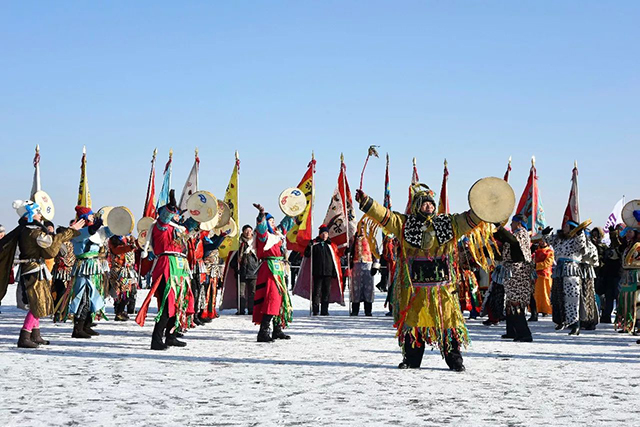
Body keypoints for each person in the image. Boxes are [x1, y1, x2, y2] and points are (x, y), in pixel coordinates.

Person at [355, 183, 492, 371]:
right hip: (415, 289)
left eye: (431, 204)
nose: (429, 206)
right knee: (412, 324)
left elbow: (468, 219)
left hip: (443, 289)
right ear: (417, 206)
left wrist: (485, 207)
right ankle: (411, 360)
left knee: (448, 324)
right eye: (425, 204)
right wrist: (367, 202)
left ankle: (455, 361)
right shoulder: (404, 224)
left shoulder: (448, 224)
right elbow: (385, 216)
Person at [0, 200, 82, 348]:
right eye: (37, 212)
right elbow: (50, 245)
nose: (40, 215)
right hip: (33, 270)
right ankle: (25, 335)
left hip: (36, 268)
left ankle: (35, 334)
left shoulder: (29, 229)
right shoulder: (32, 231)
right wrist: (70, 231)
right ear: (30, 214)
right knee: (37, 303)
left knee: (40, 301)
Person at [135, 190, 195, 350]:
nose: (177, 215)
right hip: (167, 267)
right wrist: (170, 206)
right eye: (174, 213)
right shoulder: (161, 227)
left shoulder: (179, 229)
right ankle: (156, 340)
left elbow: (193, 223)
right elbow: (164, 219)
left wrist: (201, 211)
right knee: (167, 305)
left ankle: (171, 336)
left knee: (178, 303)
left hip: (179, 269)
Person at [64, 206, 113, 338]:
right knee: (83, 297)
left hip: (94, 266)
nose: (93, 217)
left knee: (93, 297)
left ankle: (86, 325)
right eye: (90, 215)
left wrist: (116, 222)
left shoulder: (97, 231)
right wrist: (97, 224)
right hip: (83, 267)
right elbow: (90, 231)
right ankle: (77, 328)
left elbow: (111, 231)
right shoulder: (78, 232)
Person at [546, 221, 599, 335]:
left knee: (572, 298)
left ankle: (576, 324)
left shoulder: (576, 240)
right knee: (558, 297)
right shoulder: (560, 240)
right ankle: (562, 320)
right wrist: (546, 234)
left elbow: (581, 244)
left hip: (571, 270)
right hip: (559, 271)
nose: (563, 227)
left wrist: (579, 233)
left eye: (566, 226)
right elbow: (550, 241)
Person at [252, 203, 294, 342]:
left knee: (281, 298)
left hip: (279, 268)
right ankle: (263, 331)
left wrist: (293, 209)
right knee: (272, 298)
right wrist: (261, 214)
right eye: (270, 220)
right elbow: (261, 227)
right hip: (269, 269)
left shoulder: (277, 235)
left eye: (273, 220)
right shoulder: (264, 236)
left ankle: (277, 329)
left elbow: (286, 223)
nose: (273, 223)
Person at [493, 215, 533, 342]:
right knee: (511, 302)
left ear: (519, 224)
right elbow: (505, 239)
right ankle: (513, 331)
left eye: (513, 222)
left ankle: (524, 333)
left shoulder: (521, 233)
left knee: (516, 302)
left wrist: (499, 227)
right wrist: (494, 231)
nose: (511, 225)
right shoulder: (516, 234)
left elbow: (512, 240)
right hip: (513, 270)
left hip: (518, 272)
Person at [303, 224, 342, 316]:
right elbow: (306, 255)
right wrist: (309, 246)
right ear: (320, 234)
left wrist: (334, 271)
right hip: (317, 272)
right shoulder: (314, 244)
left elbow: (335, 259)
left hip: (328, 272)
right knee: (317, 292)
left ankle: (325, 310)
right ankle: (315, 309)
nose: (324, 235)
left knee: (326, 292)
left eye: (326, 233)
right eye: (323, 233)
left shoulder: (331, 245)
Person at [349, 223, 378, 316]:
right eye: (360, 228)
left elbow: (376, 254)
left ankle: (368, 310)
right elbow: (349, 252)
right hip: (356, 265)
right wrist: (348, 258)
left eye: (363, 228)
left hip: (368, 265)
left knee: (368, 289)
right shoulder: (353, 239)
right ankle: (355, 310)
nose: (361, 230)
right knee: (356, 289)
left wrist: (375, 266)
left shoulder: (371, 239)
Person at [615, 227, 640, 333]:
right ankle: (628, 324)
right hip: (627, 275)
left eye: (630, 231)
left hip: (636, 274)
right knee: (626, 300)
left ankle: (637, 325)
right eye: (627, 232)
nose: (627, 234)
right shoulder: (628, 245)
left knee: (636, 300)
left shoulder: (638, 246)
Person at [108, 235, 138, 321]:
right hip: (118, 271)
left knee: (128, 293)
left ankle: (120, 312)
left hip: (127, 271)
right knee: (120, 294)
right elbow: (118, 250)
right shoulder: (113, 241)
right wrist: (131, 246)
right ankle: (119, 312)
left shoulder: (129, 239)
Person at [599, 226, 623, 323]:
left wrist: (614, 235)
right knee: (608, 297)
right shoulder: (608, 248)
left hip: (618, 275)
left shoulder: (622, 246)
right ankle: (606, 316)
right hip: (609, 275)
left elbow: (618, 245)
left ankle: (619, 317)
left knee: (618, 297)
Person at [238, 224, 259, 315]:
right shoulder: (239, 243)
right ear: (243, 232)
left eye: (250, 231)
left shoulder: (255, 242)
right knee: (241, 292)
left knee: (253, 292)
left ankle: (251, 309)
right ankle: (241, 309)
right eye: (246, 231)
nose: (248, 233)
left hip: (254, 270)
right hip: (242, 270)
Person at [532, 238, 554, 318]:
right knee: (536, 294)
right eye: (541, 241)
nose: (542, 242)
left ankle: (546, 310)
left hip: (545, 275)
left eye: (544, 241)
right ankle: (536, 309)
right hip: (536, 276)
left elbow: (548, 263)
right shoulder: (535, 251)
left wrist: (536, 266)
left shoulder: (549, 252)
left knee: (545, 293)